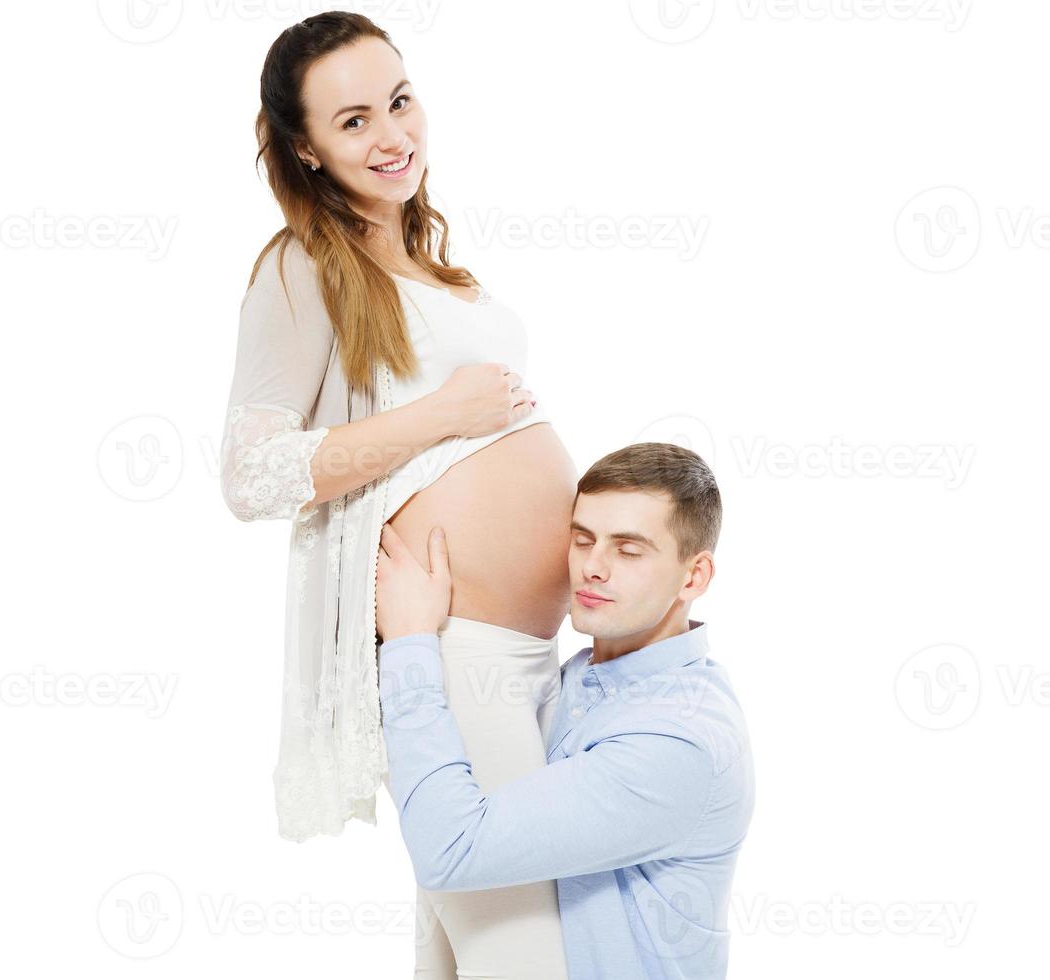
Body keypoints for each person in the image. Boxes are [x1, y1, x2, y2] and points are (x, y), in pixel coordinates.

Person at [220, 12, 579, 978]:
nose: (392, 135)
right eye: (354, 121)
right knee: (529, 960)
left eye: (401, 99)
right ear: (305, 147)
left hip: (528, 659)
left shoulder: (435, 267)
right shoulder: (302, 268)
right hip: (449, 655)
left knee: (483, 955)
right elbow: (248, 474)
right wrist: (450, 414)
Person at [375, 444, 756, 980]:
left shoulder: (677, 741)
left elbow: (451, 850)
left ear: (693, 578)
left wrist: (411, 642)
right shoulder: (578, 679)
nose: (592, 568)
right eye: (583, 540)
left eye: (629, 550)